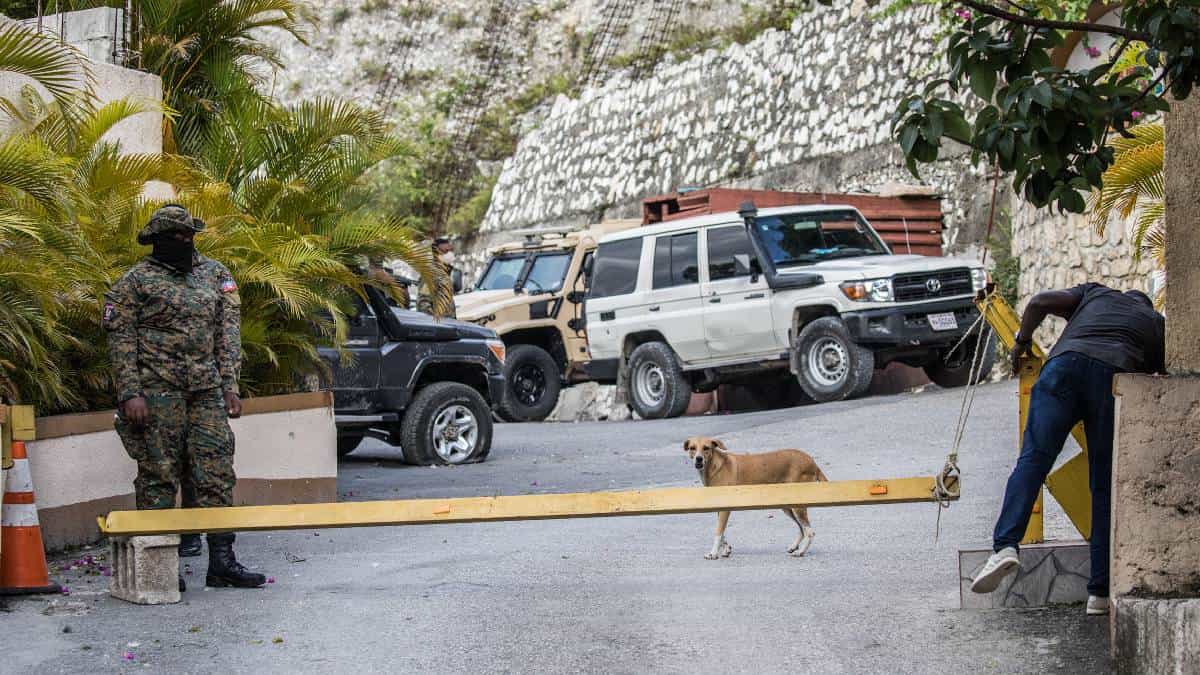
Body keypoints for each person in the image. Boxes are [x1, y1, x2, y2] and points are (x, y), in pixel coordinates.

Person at [970, 283, 1165, 616]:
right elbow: (1159, 377)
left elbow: (1040, 302)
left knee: (1033, 461)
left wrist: (1022, 341)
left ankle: (1005, 546)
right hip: (1114, 377)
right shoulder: (1153, 322)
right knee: (1104, 486)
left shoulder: (1095, 294)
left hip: (1064, 367)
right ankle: (1099, 593)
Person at [104, 204, 267, 590]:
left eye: (187, 235)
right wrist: (130, 393)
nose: (182, 241)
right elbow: (120, 340)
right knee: (159, 477)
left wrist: (230, 386)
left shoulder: (216, 274)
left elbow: (228, 335)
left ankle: (222, 563)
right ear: (156, 240)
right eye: (173, 236)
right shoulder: (134, 282)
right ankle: (160, 568)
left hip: (206, 391)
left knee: (216, 473)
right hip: (156, 393)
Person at [417, 237, 458, 318]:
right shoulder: (431, 274)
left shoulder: (445, 273)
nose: (450, 254)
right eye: (446, 251)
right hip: (439, 325)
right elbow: (423, 304)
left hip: (449, 323)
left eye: (450, 251)